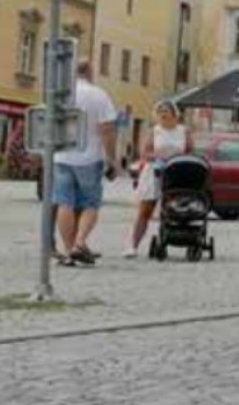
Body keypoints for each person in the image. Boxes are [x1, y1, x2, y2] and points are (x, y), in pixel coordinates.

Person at [53, 61, 118, 266]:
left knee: (65, 203)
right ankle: (80, 243)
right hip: (89, 157)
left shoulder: (61, 93)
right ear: (90, 72)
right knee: (90, 203)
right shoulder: (99, 95)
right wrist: (111, 158)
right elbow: (107, 129)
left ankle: (68, 250)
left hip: (62, 155)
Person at [124, 100, 192, 258]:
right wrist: (158, 157)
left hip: (177, 172)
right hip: (155, 171)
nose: (163, 113)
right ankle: (132, 245)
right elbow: (145, 153)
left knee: (176, 208)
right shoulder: (155, 131)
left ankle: (176, 236)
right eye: (160, 111)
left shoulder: (183, 131)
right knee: (145, 210)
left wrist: (177, 158)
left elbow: (189, 151)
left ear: (175, 114)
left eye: (166, 110)